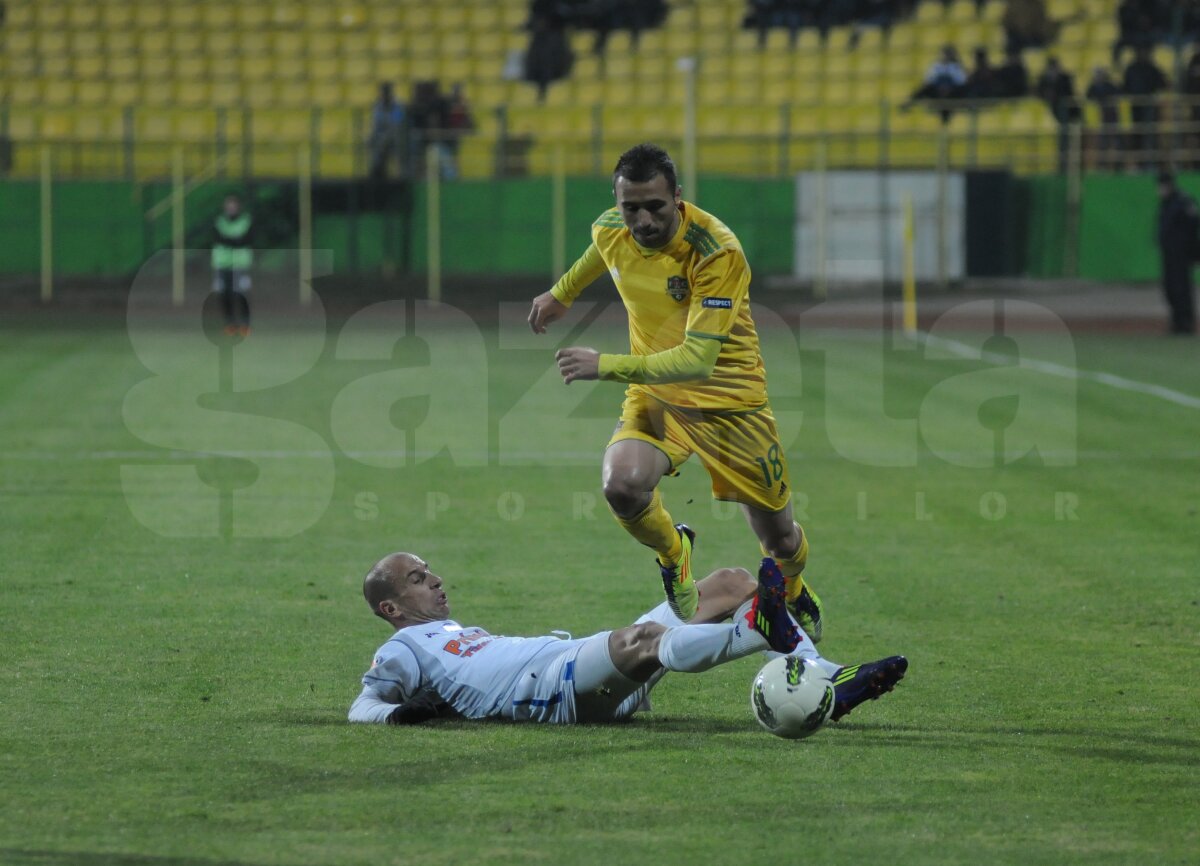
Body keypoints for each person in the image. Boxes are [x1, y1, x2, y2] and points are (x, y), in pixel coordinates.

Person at [526, 144, 824, 641]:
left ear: (679, 199)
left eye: (655, 207)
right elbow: (602, 249)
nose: (642, 220)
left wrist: (605, 365)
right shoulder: (611, 226)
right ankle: (674, 554)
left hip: (730, 403)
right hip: (657, 396)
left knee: (779, 537)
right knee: (622, 485)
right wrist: (563, 293)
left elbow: (697, 360)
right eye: (631, 208)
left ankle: (793, 591)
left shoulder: (716, 251)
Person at [348, 552, 907, 726]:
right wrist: (398, 715)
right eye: (419, 579)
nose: (436, 580)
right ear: (391, 607)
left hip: (571, 660)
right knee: (643, 638)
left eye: (430, 571)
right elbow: (361, 707)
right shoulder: (402, 649)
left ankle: (830, 681)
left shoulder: (447, 632)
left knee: (731, 582)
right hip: (550, 691)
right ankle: (757, 629)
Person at [1156, 171, 1199, 335]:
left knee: (1182, 289)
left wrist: (1192, 249)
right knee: (1171, 289)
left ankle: (1185, 324)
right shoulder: (1167, 203)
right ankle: (1177, 322)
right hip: (1169, 254)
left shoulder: (1182, 201)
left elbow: (1193, 225)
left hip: (1181, 254)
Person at [211, 194, 252, 338]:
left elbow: (246, 239)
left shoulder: (246, 220)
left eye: (233, 205)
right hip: (222, 264)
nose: (231, 208)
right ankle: (230, 324)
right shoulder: (219, 221)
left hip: (240, 264)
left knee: (240, 294)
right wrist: (235, 240)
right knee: (224, 294)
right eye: (229, 205)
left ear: (238, 207)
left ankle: (245, 324)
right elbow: (218, 238)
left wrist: (228, 240)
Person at [1123, 45, 1168, 168]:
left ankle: (1151, 164)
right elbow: (1125, 87)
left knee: (1151, 136)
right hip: (1136, 107)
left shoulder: (1152, 68)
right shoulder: (1131, 69)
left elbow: (1164, 84)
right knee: (1138, 136)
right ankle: (1140, 164)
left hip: (1150, 107)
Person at [1036, 57, 1079, 172]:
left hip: (1063, 112)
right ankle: (1061, 166)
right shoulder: (1043, 80)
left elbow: (1070, 94)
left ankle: (1063, 167)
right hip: (1052, 111)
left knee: (1064, 139)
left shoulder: (1065, 78)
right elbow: (1039, 94)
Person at [904, 45, 968, 123]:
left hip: (952, 92)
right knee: (924, 88)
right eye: (945, 54)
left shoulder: (957, 67)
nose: (946, 56)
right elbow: (928, 79)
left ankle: (947, 116)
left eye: (949, 54)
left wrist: (948, 85)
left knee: (961, 91)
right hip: (937, 91)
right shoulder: (936, 66)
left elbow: (961, 81)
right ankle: (909, 103)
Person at [367, 82, 406, 181]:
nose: (384, 95)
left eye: (386, 93)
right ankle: (378, 171)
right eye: (382, 93)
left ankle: (380, 170)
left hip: (395, 138)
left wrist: (385, 135)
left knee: (384, 141)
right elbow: (375, 125)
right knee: (373, 141)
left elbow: (397, 125)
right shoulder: (378, 107)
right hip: (381, 138)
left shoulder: (397, 106)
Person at [1085, 66, 1121, 170]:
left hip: (1112, 118)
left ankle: (1117, 166)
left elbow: (1118, 96)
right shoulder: (1092, 87)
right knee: (1102, 144)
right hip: (1099, 120)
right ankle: (1101, 166)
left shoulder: (1110, 86)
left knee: (1116, 142)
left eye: (1100, 74)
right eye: (1097, 74)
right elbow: (1088, 98)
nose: (1098, 77)